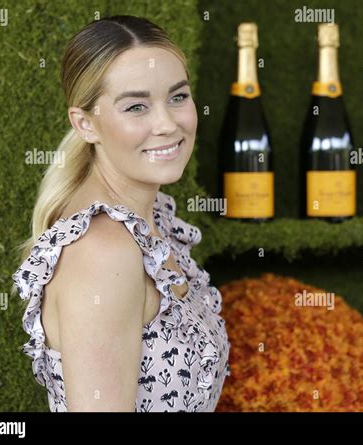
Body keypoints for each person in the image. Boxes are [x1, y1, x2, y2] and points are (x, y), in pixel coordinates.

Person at [12, 15, 230, 412]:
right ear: (85, 124)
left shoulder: (152, 217)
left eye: (178, 97)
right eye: (136, 106)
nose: (167, 124)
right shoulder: (104, 252)